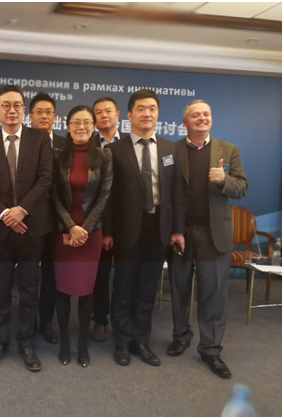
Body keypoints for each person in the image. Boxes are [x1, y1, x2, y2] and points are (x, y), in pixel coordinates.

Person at [104, 89, 184, 367]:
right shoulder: (114, 150)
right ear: (129, 115)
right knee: (123, 287)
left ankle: (141, 341)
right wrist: (107, 231)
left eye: (152, 108)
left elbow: (176, 193)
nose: (147, 113)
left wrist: (177, 229)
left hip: (159, 227)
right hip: (126, 229)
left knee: (148, 289)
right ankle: (122, 341)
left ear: (158, 114)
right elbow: (108, 197)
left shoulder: (171, 149)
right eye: (140, 108)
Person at [168, 100, 247, 379]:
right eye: (196, 115)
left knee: (213, 293)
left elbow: (242, 187)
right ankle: (181, 336)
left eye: (206, 114)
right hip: (180, 231)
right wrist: (174, 229)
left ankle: (211, 349)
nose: (202, 118)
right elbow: (168, 191)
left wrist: (224, 180)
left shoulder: (229, 150)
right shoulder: (172, 150)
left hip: (214, 234)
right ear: (184, 122)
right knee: (179, 287)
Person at [0, 85, 54, 372]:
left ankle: (26, 342)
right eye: (5, 106)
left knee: (29, 288)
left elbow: (45, 179)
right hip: (0, 229)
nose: (12, 110)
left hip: (31, 226)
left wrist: (22, 210)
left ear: (24, 110)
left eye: (17, 105)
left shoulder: (40, 138)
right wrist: (4, 213)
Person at [50, 105, 112, 367]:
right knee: (63, 290)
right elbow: (53, 194)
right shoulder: (57, 155)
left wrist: (84, 229)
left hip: (91, 233)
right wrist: (69, 227)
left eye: (87, 122)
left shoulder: (104, 156)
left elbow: (104, 195)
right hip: (63, 233)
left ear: (94, 126)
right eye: (76, 122)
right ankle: (65, 342)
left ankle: (82, 344)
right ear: (67, 126)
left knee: (87, 290)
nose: (81, 127)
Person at [29, 92, 67, 345]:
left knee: (51, 275)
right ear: (30, 116)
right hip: (28, 219)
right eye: (39, 112)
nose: (44, 116)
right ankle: (28, 319)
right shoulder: (23, 142)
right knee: (29, 275)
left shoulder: (65, 143)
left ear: (55, 116)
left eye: (49, 112)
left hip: (57, 220)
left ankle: (46, 322)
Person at [91, 96, 121, 343]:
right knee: (100, 276)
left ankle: (123, 321)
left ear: (118, 114)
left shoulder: (131, 142)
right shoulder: (88, 145)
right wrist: (105, 229)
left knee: (125, 276)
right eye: (98, 112)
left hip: (129, 221)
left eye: (108, 111)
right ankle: (100, 319)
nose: (104, 116)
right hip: (99, 221)